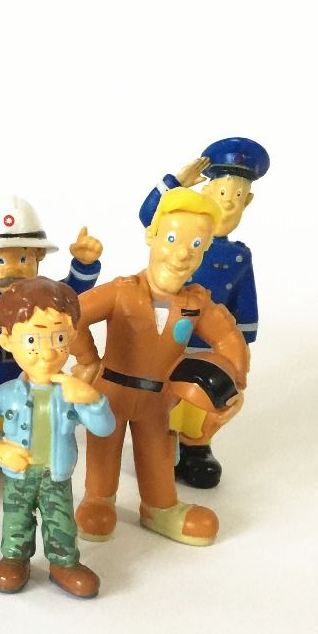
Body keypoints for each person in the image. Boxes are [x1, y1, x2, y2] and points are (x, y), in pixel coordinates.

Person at [69, 187, 248, 546]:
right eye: (171, 239)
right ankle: (98, 499)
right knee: (103, 447)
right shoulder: (121, 291)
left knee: (158, 453)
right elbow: (72, 314)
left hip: (160, 398)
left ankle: (160, 506)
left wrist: (231, 383)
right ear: (151, 237)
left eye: (196, 245)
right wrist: (87, 359)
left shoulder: (196, 302)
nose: (182, 253)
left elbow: (229, 339)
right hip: (111, 391)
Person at [0, 277, 115, 597]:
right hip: (19, 472)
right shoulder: (11, 393)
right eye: (32, 340)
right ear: (7, 341)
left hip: (56, 474)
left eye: (58, 338)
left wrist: (91, 399)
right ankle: (14, 558)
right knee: (16, 517)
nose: (46, 353)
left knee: (60, 519)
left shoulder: (70, 393)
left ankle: (63, 562)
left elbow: (104, 428)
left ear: (72, 337)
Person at [138, 136, 269, 488]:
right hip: (165, 335)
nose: (228, 203)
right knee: (160, 394)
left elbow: (244, 304)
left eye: (238, 197)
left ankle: (195, 447)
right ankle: (159, 444)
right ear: (206, 191)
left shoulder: (237, 256)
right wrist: (174, 185)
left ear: (248, 203)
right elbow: (151, 217)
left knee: (202, 398)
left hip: (208, 345)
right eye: (222, 193)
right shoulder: (182, 234)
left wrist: (241, 349)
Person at [0, 193, 102, 479]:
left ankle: (26, 445)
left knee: (27, 414)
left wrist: (83, 266)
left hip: (28, 375)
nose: (11, 269)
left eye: (23, 258)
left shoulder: (44, 304)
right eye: (1, 259)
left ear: (38, 257)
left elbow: (69, 295)